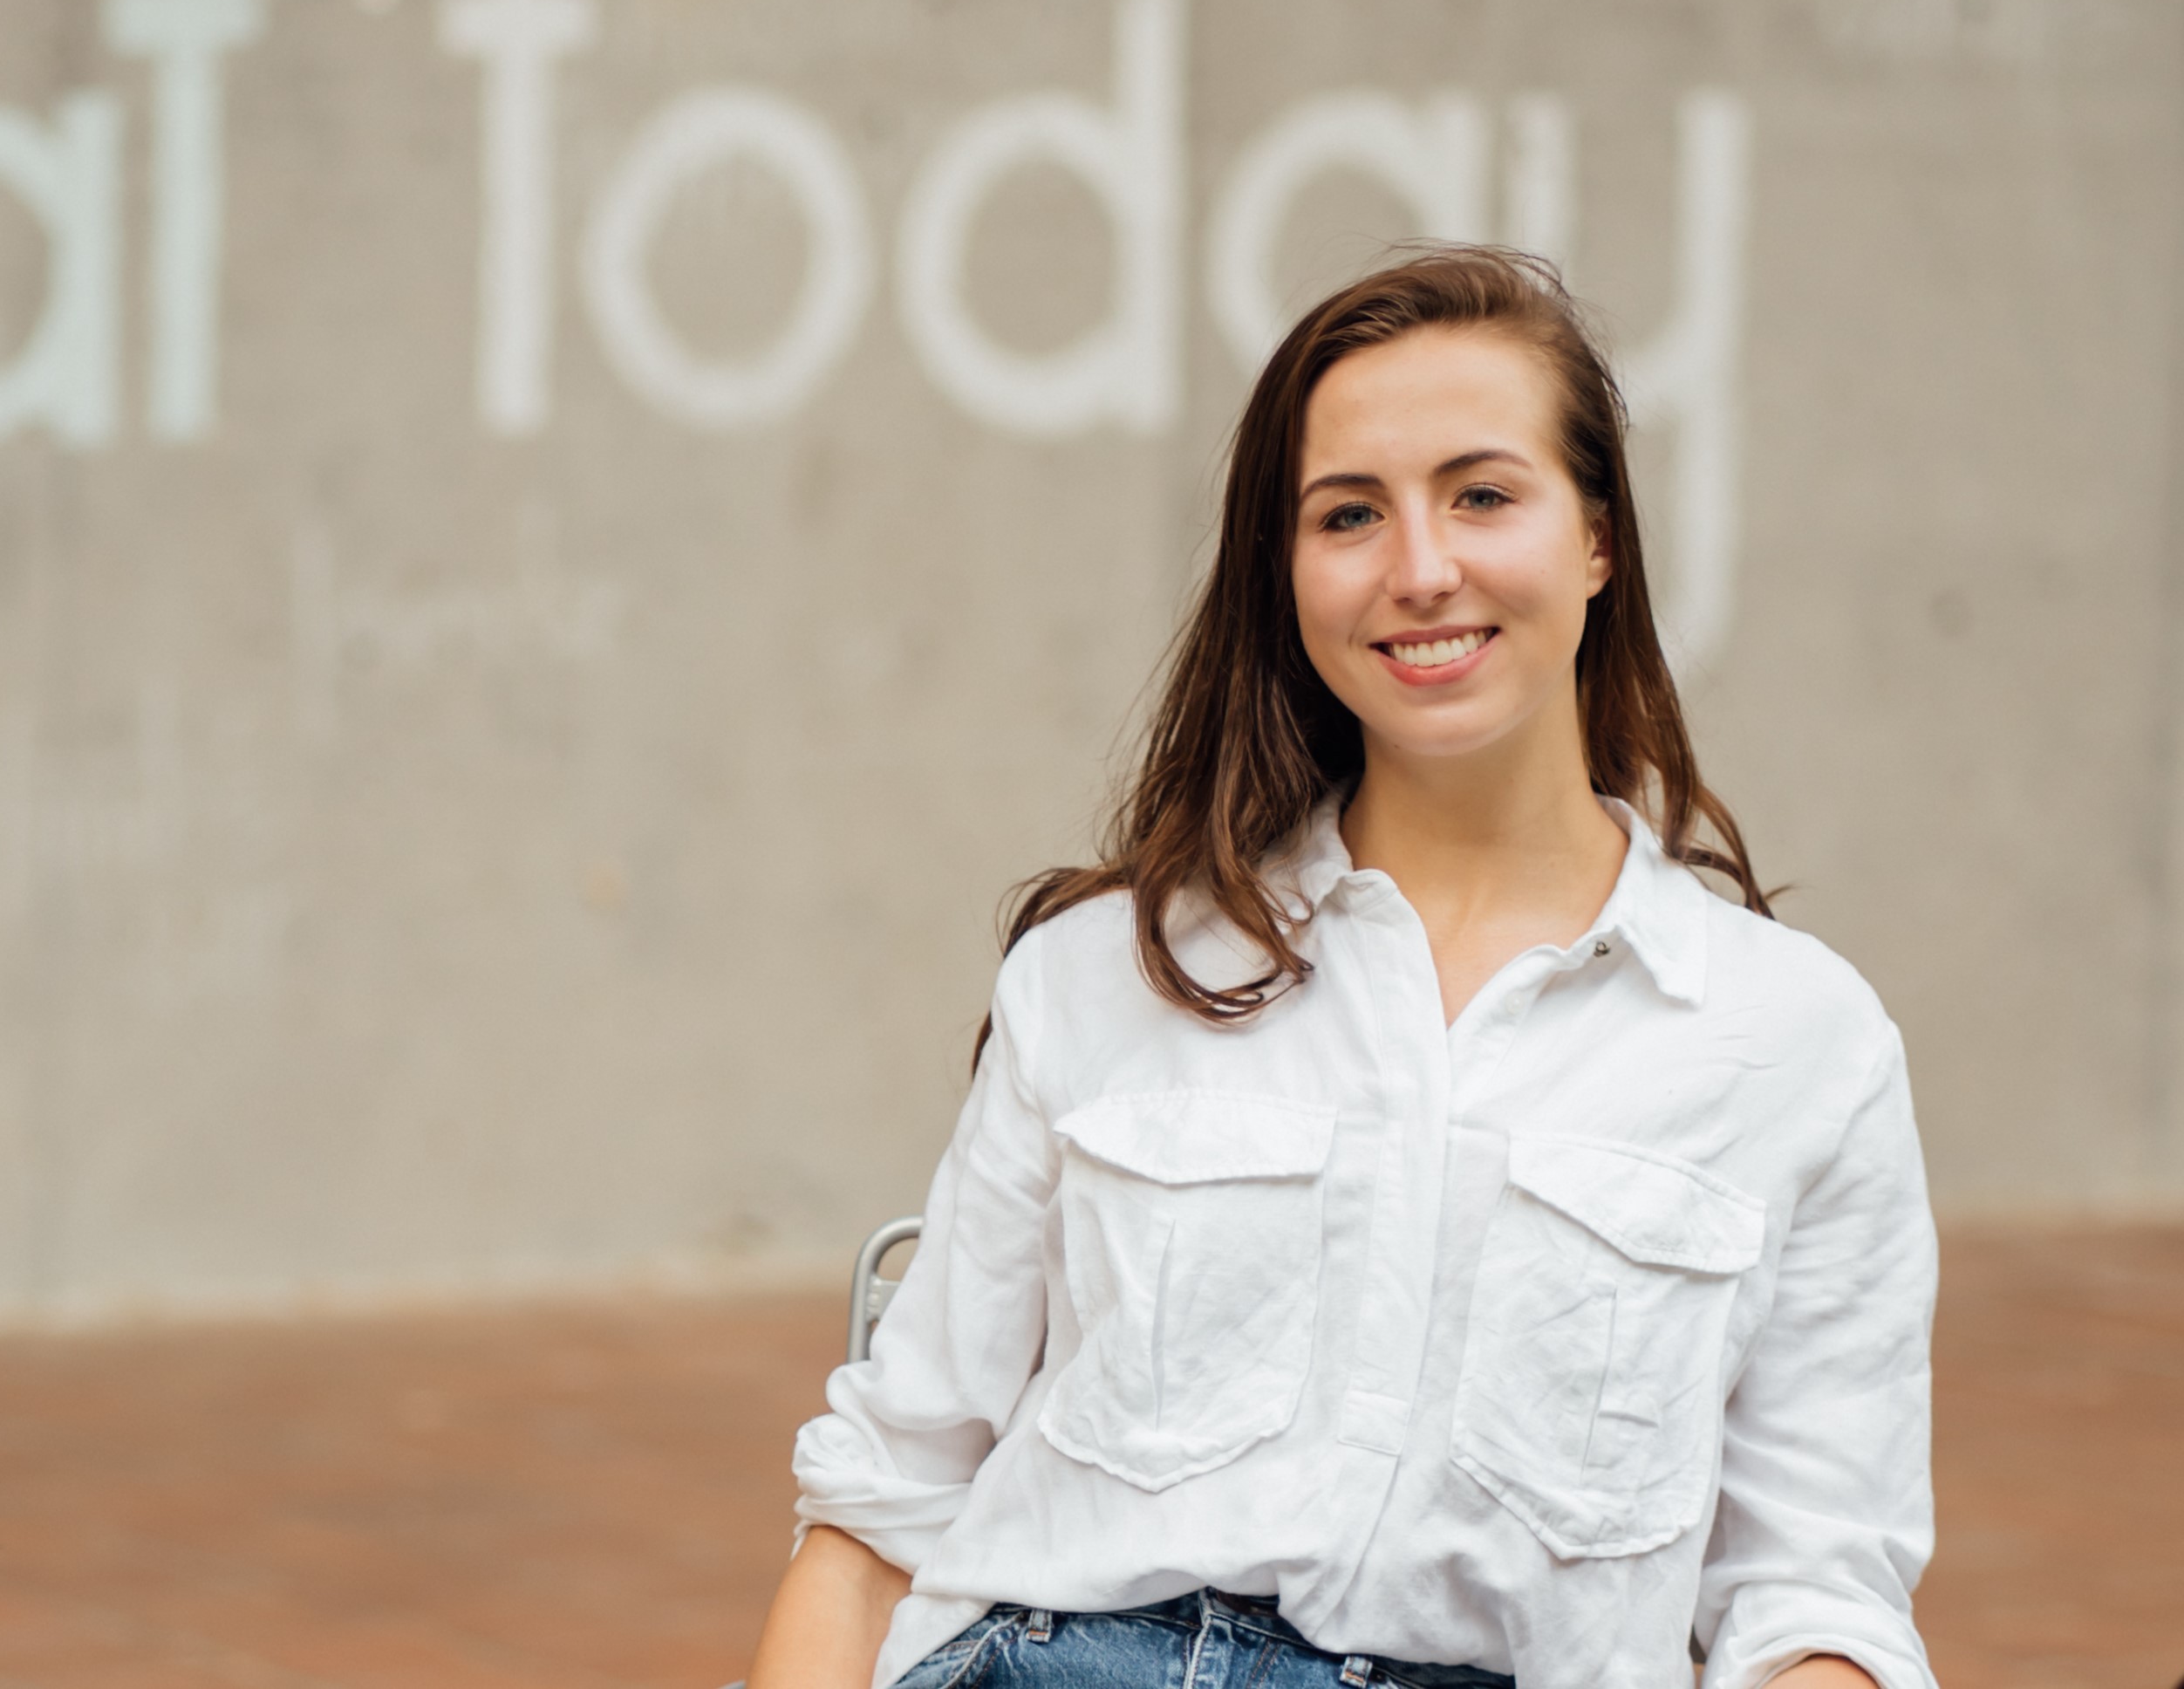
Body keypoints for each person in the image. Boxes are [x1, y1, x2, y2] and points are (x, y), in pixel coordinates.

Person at [752, 247, 1934, 1689]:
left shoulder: (1798, 1042)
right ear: (1288, 568)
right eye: (1349, 514)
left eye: (1483, 495)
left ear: (1599, 538)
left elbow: (1817, 1606)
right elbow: (881, 1509)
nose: (1420, 568)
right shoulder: (1105, 975)